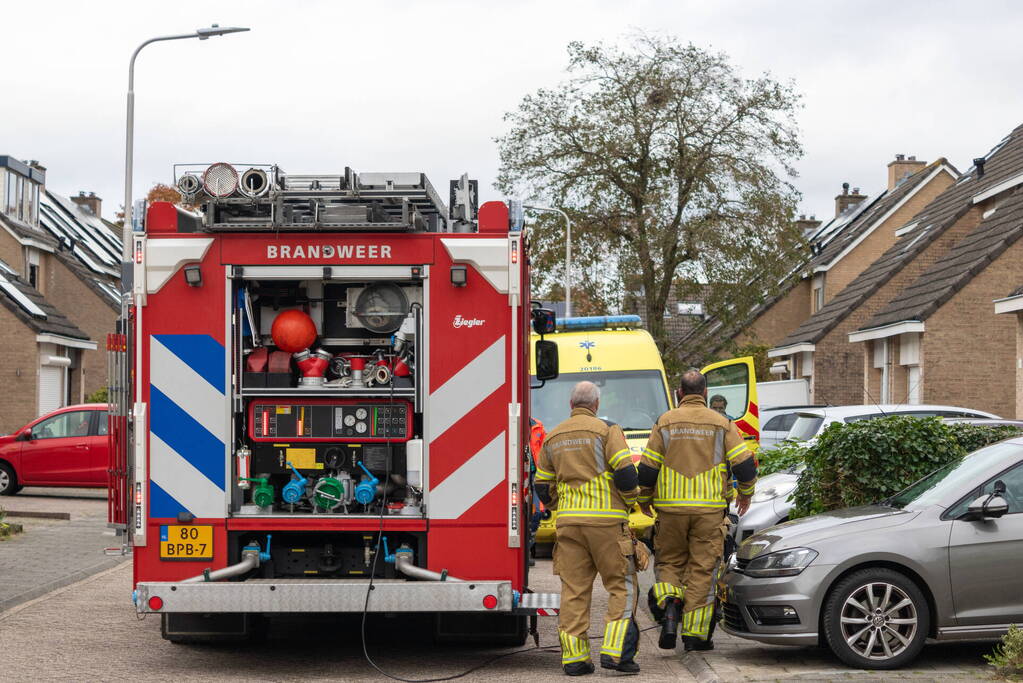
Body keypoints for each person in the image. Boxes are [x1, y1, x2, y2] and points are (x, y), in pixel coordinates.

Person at [638, 369, 757, 652]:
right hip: (709, 513)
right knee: (702, 571)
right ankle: (694, 636)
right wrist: (746, 493)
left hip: (669, 512)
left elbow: (646, 469)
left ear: (680, 393)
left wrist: (643, 500)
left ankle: (668, 613)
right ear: (705, 393)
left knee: (669, 565)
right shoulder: (722, 423)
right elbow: (744, 465)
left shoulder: (664, 422)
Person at [535, 381, 642, 676]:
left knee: (574, 590)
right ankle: (616, 652)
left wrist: (559, 506)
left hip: (569, 525)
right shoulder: (608, 431)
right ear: (595, 405)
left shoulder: (553, 437)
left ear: (572, 405)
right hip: (606, 523)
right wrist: (630, 502)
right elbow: (625, 473)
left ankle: (575, 660)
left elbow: (542, 485)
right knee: (622, 585)